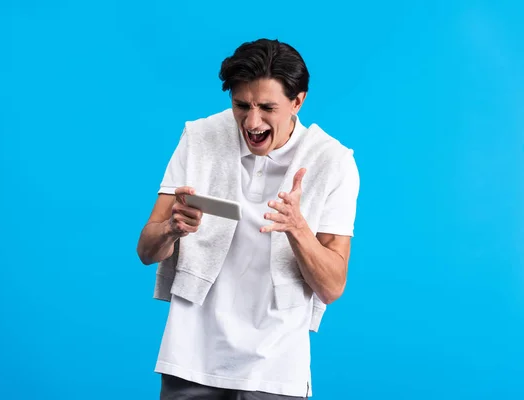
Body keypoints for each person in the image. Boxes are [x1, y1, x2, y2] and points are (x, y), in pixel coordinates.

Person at [137, 38, 360, 399]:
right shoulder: (200, 137)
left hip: (276, 369)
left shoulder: (333, 161)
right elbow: (146, 251)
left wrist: (298, 228)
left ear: (297, 102)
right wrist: (171, 229)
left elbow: (332, 287)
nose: (252, 122)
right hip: (191, 357)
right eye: (241, 105)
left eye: (267, 107)